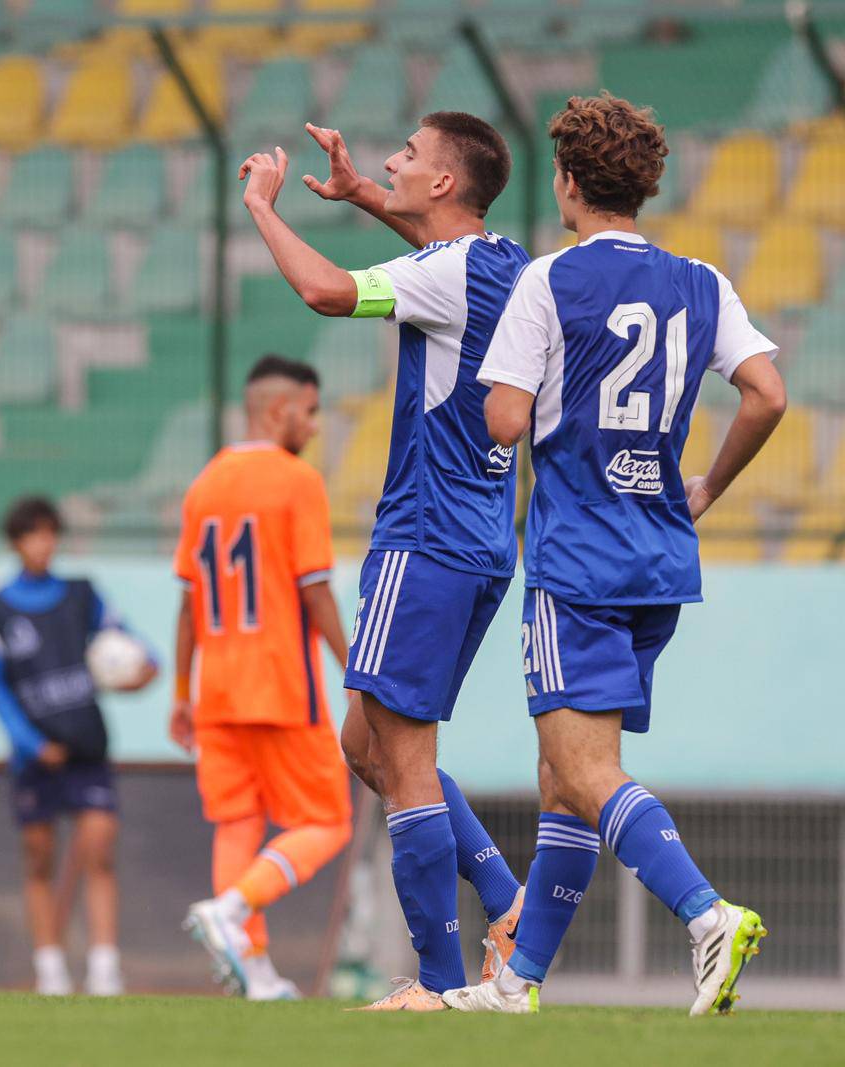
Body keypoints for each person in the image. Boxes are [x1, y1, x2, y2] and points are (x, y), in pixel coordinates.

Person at [445, 94, 784, 1016]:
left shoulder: (550, 282)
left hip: (578, 556)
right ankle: (516, 983)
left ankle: (707, 912)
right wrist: (703, 489)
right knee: (563, 777)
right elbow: (765, 394)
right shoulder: (702, 281)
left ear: (566, 180)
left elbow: (507, 418)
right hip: (659, 558)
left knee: (587, 771)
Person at [238, 114, 531, 1009]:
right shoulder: (503, 259)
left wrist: (261, 204)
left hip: (425, 533)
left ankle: (439, 986)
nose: (393, 160)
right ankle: (510, 900)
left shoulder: (444, 274)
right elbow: (438, 251)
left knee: (401, 761)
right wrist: (365, 192)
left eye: (407, 156)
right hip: (480, 538)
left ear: (445, 183)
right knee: (364, 741)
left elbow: (326, 291)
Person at [171, 356, 352, 1002]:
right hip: (280, 686)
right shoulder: (296, 481)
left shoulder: (206, 483)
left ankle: (254, 969)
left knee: (238, 822)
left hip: (217, 689)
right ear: (278, 411)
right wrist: (354, 669)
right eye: (308, 409)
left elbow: (190, 600)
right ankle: (234, 910)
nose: (314, 422)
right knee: (329, 821)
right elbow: (315, 590)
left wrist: (181, 693)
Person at [0, 496, 158, 997]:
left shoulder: (82, 595)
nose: (43, 544)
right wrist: (31, 743)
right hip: (36, 760)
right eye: (33, 535)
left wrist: (145, 669)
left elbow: (135, 649)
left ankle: (104, 967)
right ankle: (50, 967)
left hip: (88, 748)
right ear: (16, 543)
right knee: (39, 859)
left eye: (50, 534)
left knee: (99, 849)